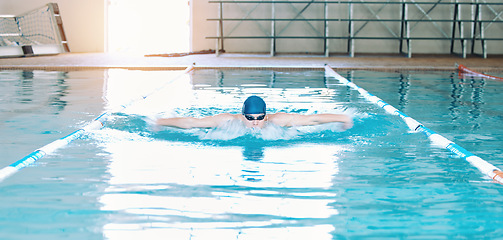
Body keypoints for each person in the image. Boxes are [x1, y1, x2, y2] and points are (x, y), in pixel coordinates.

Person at [156, 95, 353, 130]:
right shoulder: (227, 121)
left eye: (260, 118)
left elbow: (313, 120)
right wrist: (160, 122)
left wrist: (342, 118)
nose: (255, 122)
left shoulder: (278, 121)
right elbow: (192, 122)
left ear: (266, 116)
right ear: (243, 116)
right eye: (250, 118)